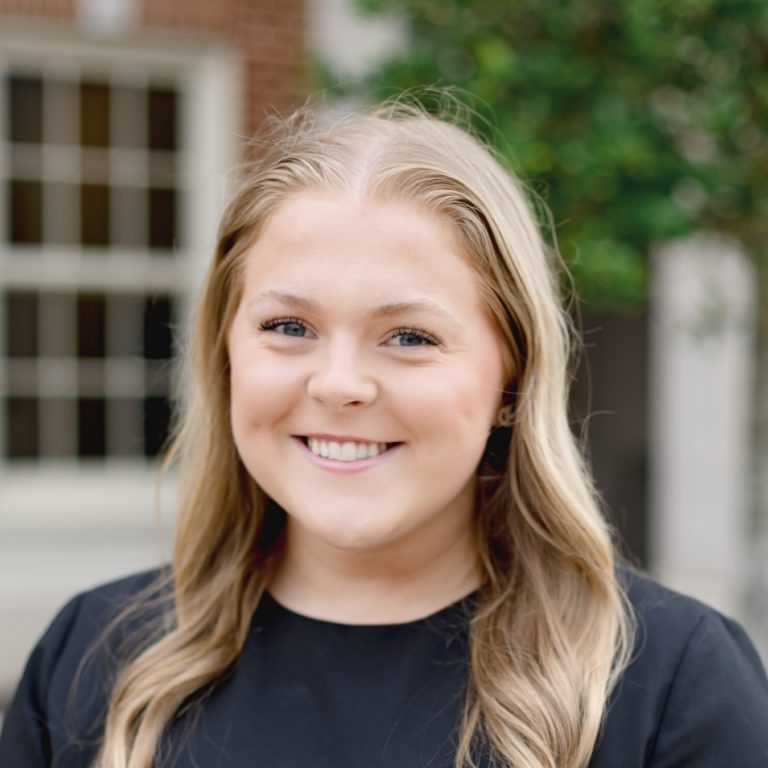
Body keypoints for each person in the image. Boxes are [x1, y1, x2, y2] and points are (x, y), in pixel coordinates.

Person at [1, 100, 767, 768]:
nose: (339, 384)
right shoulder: (93, 660)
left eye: (408, 337)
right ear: (224, 352)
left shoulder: (673, 687)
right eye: (289, 326)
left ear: (512, 378)